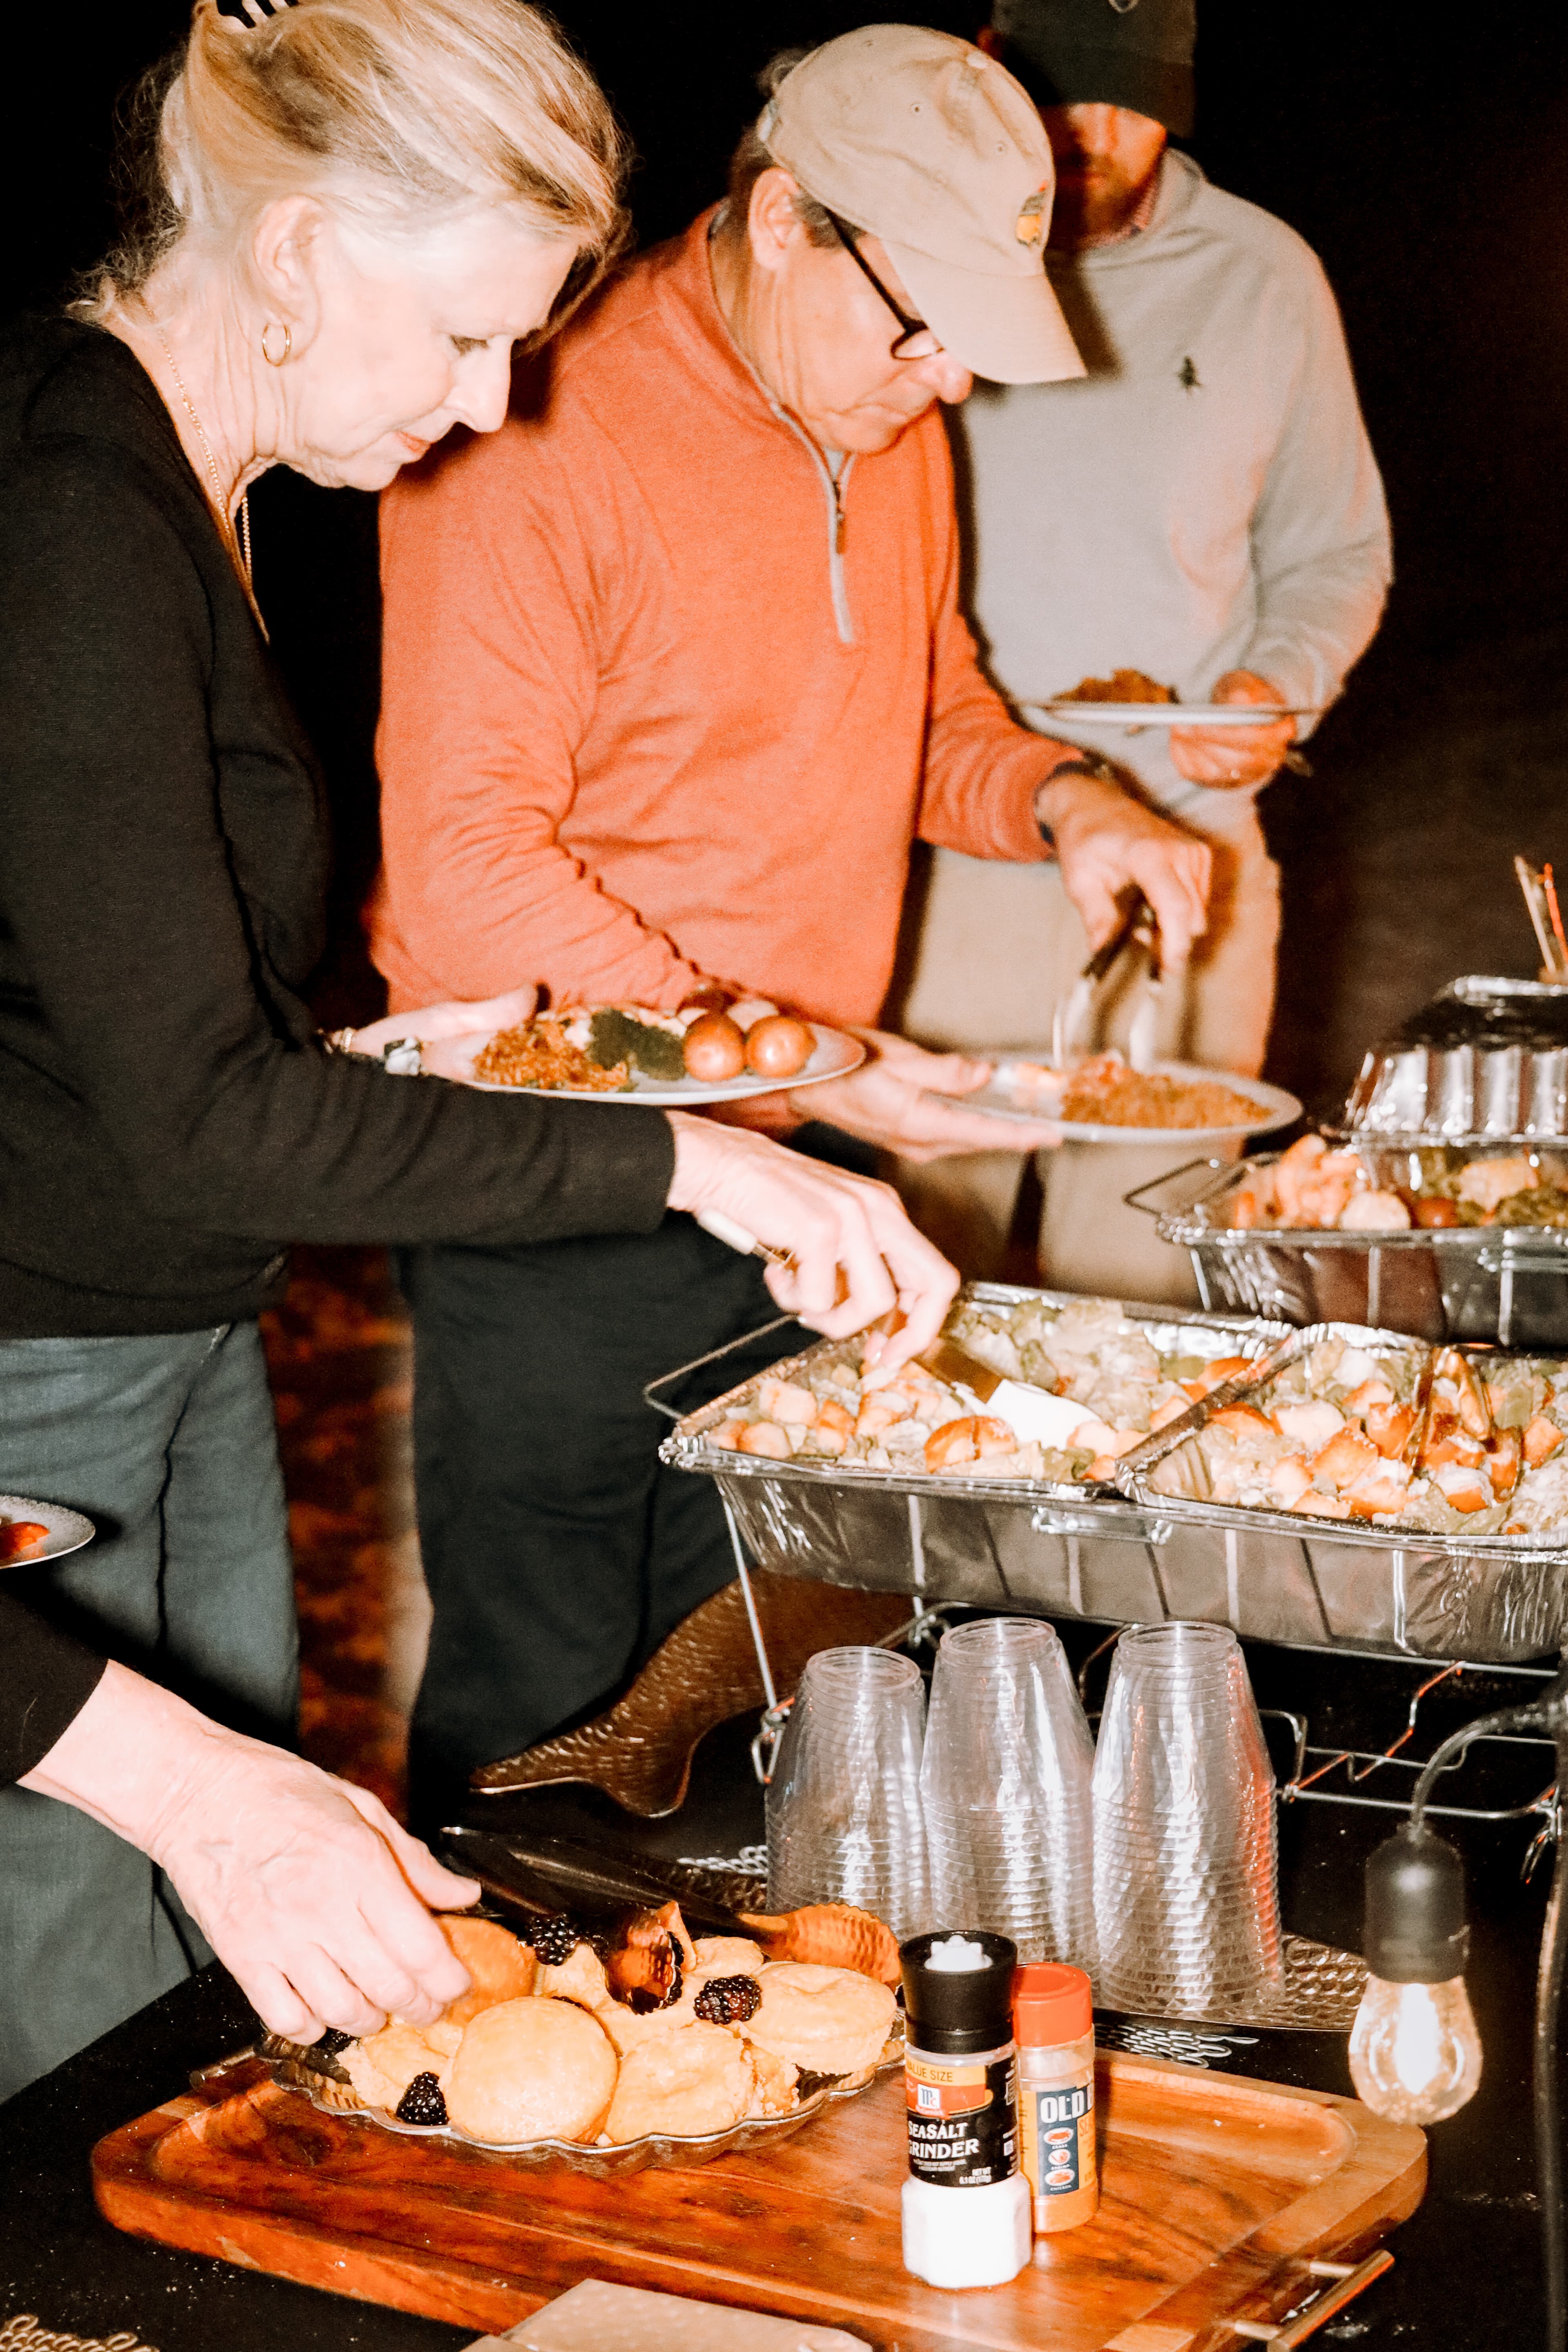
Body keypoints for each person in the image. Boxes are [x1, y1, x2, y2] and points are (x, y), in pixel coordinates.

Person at [0, 0, 957, 2101]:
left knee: (228, 1983)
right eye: (462, 336)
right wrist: (692, 1153)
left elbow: (114, 985)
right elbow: (192, 1122)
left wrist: (389, 1040)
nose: (494, 395)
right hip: (35, 1376)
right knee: (83, 2017)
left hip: (170, 1351)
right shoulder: (73, 509)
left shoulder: (189, 487)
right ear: (302, 249)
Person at [370, 24, 1215, 1831]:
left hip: (784, 1150)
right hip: (553, 1156)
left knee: (745, 1659)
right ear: (779, 220)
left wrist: (1073, 804)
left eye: (968, 345)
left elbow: (934, 714)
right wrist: (840, 1064)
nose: (942, 385)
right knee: (544, 1697)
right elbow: (465, 873)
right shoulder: (532, 423)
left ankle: (718, 2070)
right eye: (914, 323)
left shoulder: (879, 416)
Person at [891, 0, 1392, 1301]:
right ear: (991, 79)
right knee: (917, 1284)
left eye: (1122, 103)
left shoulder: (1265, 274)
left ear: (1180, 96)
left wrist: (1276, 687)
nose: (1084, 142)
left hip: (1195, 845)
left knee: (1154, 1291)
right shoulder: (921, 257)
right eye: (1050, 104)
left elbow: (1338, 555)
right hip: (959, 860)